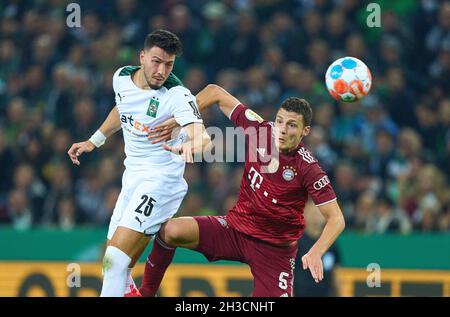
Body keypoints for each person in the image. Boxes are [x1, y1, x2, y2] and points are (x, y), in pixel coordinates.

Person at [139, 84, 345, 297]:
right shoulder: (261, 131)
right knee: (170, 231)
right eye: (280, 121)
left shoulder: (308, 168)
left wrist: (316, 251)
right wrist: (183, 117)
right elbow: (215, 92)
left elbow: (336, 219)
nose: (282, 130)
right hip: (236, 229)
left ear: (305, 131)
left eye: (292, 125)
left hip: (275, 251)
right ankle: (145, 293)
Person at [67, 29, 211, 297]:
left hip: (160, 183)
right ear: (142, 57)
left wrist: (190, 145)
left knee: (116, 262)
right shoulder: (121, 78)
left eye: (169, 64)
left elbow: (203, 137)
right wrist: (93, 141)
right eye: (156, 61)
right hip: (132, 179)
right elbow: (122, 109)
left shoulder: (177, 95)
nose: (161, 71)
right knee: (111, 266)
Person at [294, 201, 341, 297]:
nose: (315, 217)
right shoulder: (296, 242)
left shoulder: (331, 243)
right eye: (312, 213)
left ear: (325, 217)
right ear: (304, 215)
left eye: (318, 213)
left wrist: (339, 293)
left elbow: (335, 273)